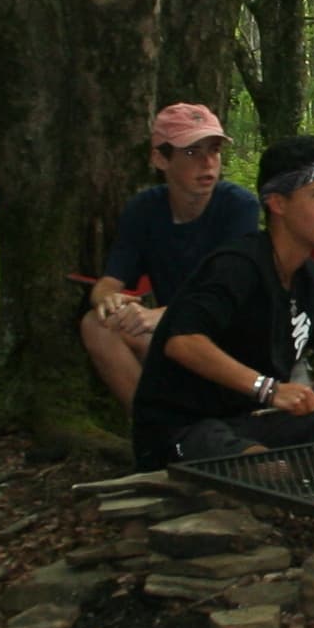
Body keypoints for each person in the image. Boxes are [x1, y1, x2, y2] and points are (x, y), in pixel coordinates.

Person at [133, 136, 314, 467]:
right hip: (188, 429)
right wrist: (269, 389)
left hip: (254, 417)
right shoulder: (237, 265)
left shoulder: (307, 276)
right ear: (278, 203)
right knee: (267, 471)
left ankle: (295, 478)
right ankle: (278, 477)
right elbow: (182, 342)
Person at [81, 103, 260, 409]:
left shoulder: (238, 206)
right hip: (178, 336)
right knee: (96, 324)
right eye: (191, 152)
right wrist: (107, 299)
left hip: (234, 342)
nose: (207, 163)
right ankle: (154, 432)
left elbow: (229, 293)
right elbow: (110, 280)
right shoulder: (144, 209)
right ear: (160, 159)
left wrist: (161, 315)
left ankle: (198, 430)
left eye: (214, 150)